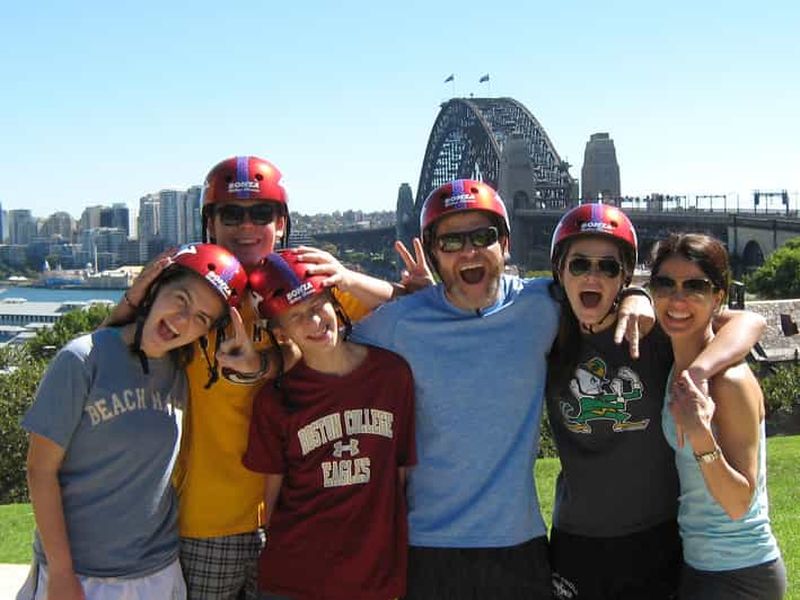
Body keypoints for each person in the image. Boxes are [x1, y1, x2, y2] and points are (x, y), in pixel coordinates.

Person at [103, 156, 401, 600]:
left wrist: (344, 275)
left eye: (261, 213)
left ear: (281, 223)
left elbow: (402, 309)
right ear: (211, 223)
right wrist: (136, 292)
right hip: (208, 522)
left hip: (291, 515)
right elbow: (117, 345)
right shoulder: (197, 288)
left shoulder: (302, 283)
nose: (246, 226)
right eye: (231, 214)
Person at [350, 179, 654, 598]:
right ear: (434, 253)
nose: (469, 251)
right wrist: (354, 281)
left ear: (505, 243)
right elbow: (322, 347)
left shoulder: (542, 304)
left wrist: (640, 294)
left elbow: (600, 282)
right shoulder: (399, 324)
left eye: (483, 236)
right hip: (429, 546)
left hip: (519, 544)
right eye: (451, 241)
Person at [545, 204, 766, 599]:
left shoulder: (660, 333)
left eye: (609, 268)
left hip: (656, 539)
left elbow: (749, 322)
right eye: (579, 264)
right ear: (559, 272)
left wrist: (693, 369)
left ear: (625, 275)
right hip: (576, 541)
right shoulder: (545, 332)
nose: (593, 275)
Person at [20, 243, 247, 600]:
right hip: (80, 574)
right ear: (154, 288)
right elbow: (40, 471)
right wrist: (62, 574)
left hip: (157, 571)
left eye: (201, 318)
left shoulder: (180, 372)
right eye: (181, 299)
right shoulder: (81, 360)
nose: (183, 320)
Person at [243, 251, 416, 600]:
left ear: (335, 302)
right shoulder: (275, 400)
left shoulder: (392, 375)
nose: (313, 322)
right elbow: (271, 501)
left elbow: (399, 475)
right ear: (280, 331)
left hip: (374, 576)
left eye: (317, 305)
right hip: (295, 578)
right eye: (295, 317)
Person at [651, 233, 786, 600]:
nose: (677, 299)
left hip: (741, 572)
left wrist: (699, 434)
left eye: (695, 286)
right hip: (699, 565)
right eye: (666, 284)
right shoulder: (677, 367)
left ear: (718, 298)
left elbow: (739, 502)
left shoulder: (730, 382)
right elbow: (748, 320)